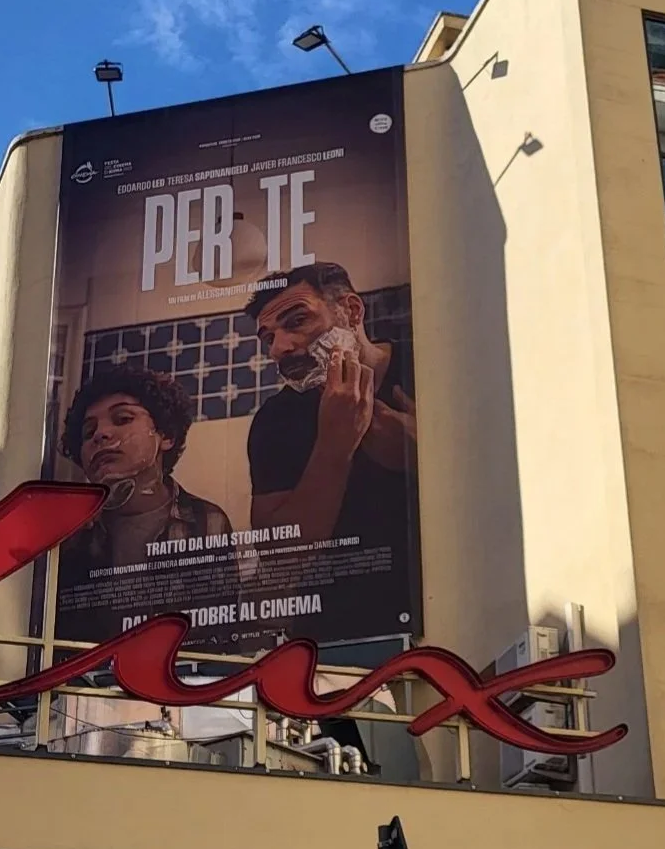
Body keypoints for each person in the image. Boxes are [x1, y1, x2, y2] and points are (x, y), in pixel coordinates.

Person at [240, 263, 417, 625]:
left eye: (296, 321)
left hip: (444, 609)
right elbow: (279, 558)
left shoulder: (429, 367)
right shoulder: (275, 421)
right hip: (333, 632)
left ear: (351, 311)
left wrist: (429, 458)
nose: (279, 350)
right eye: (268, 338)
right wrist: (335, 447)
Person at [56, 364, 235, 591]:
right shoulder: (71, 535)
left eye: (122, 419)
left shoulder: (208, 521)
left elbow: (216, 618)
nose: (100, 434)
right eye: (88, 433)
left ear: (166, 435)